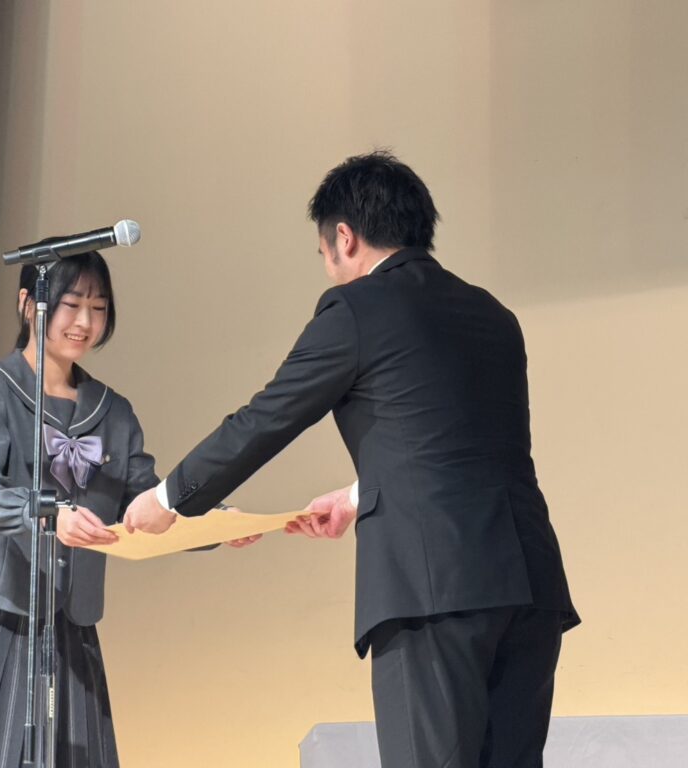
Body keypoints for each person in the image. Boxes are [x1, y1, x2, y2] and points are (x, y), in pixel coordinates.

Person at [124, 152, 579, 767]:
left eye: (324, 253)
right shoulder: (493, 315)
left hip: (431, 588)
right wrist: (361, 495)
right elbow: (464, 446)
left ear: (344, 237)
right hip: (531, 582)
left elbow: (266, 418)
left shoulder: (356, 309)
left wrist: (169, 500)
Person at [0, 252, 156, 768]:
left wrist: (219, 521)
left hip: (70, 624)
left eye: (99, 308)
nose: (85, 321)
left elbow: (148, 501)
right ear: (29, 304)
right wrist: (52, 515)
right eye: (71, 304)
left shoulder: (113, 410)